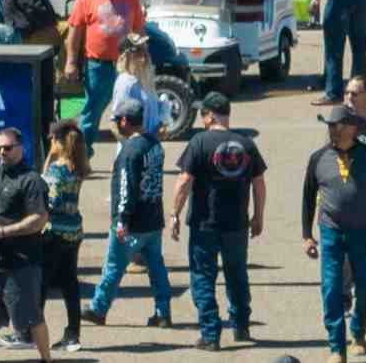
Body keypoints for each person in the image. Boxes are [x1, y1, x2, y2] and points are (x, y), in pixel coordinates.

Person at [167, 92, 265, 350]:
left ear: (210, 115)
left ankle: (210, 334)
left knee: (202, 277)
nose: (202, 119)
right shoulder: (246, 144)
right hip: (237, 224)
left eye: (203, 114)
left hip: (205, 223)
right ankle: (241, 325)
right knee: (237, 274)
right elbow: (259, 183)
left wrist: (175, 213)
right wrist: (258, 215)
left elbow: (184, 181)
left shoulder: (199, 142)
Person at [301, 106, 366, 362]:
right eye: (329, 125)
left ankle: (358, 333)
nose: (332, 130)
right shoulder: (318, 158)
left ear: (352, 127)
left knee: (365, 284)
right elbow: (308, 197)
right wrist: (307, 235)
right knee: (331, 288)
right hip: (330, 231)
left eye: (337, 125)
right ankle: (336, 348)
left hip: (363, 232)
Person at [81, 101, 172, 331]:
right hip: (153, 218)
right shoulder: (154, 144)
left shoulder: (130, 151)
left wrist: (122, 219)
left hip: (132, 223)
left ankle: (98, 308)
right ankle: (163, 312)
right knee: (157, 267)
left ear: (124, 121)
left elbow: (126, 188)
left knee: (113, 267)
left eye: (116, 120)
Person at [0, 126, 53, 363]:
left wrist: (4, 231)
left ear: (21, 148)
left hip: (21, 264)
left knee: (31, 319)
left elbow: (39, 219)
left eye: (7, 148)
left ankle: (46, 359)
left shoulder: (31, 181)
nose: (1, 153)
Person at [65, 0, 143, 142]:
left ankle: (127, 152)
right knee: (91, 112)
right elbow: (74, 33)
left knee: (128, 111)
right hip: (98, 67)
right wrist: (71, 62)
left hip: (126, 66)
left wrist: (142, 58)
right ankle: (82, 153)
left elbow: (139, 32)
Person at [37, 119, 88, 352]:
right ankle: (73, 334)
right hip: (74, 231)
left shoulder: (56, 170)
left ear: (58, 141)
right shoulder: (78, 167)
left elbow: (50, 199)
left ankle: (31, 331)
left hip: (54, 232)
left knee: (41, 283)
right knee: (70, 284)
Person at [109, 35, 162, 138]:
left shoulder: (144, 79)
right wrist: (135, 143)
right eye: (138, 49)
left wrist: (160, 125)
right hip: (137, 146)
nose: (144, 54)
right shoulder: (125, 82)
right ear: (126, 56)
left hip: (150, 144)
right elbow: (116, 123)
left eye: (145, 48)